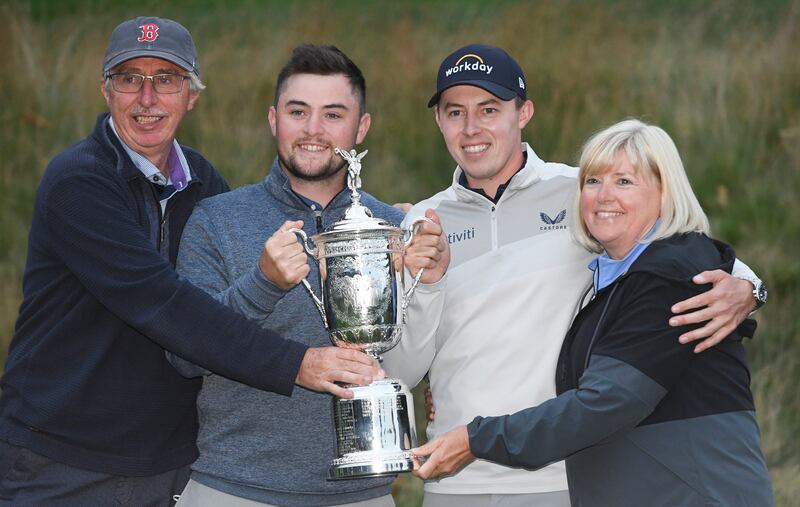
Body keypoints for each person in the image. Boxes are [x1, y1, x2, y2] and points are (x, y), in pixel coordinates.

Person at [0, 19, 381, 507]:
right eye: (129, 78)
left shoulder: (203, 184)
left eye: (166, 79)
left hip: (169, 464)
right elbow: (165, 306)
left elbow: (227, 311)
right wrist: (297, 364)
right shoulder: (79, 182)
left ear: (191, 96)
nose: (147, 98)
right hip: (62, 462)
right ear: (106, 90)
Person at [384, 44, 766, 507]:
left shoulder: (583, 193)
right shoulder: (423, 222)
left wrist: (748, 287)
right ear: (439, 121)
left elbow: (679, 244)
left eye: (489, 109)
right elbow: (399, 371)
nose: (472, 129)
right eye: (455, 112)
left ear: (523, 113)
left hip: (562, 475)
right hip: (456, 477)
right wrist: (428, 285)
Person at [168, 44, 446, 507]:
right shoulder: (215, 220)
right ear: (274, 120)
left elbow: (404, 371)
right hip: (233, 489)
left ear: (362, 127)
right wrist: (262, 285)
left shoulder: (393, 228)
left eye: (334, 114)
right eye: (299, 112)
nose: (314, 130)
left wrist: (428, 282)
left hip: (363, 494)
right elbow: (184, 356)